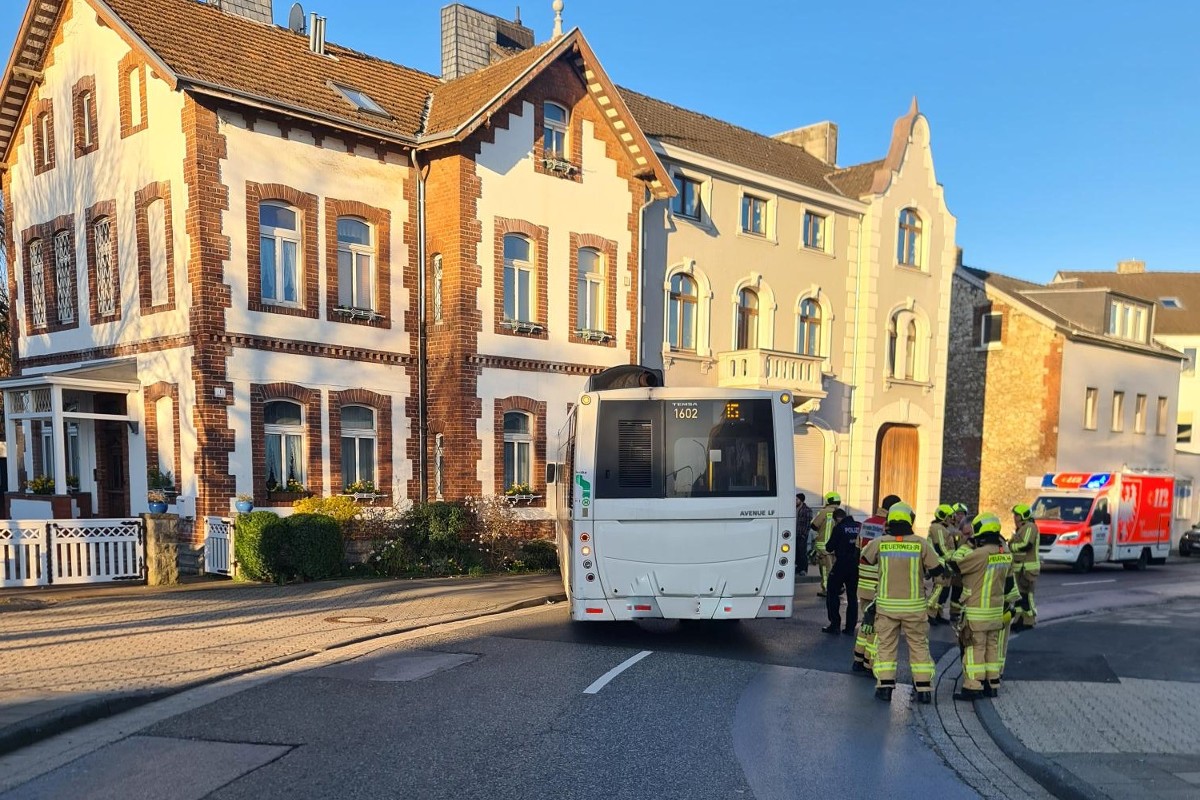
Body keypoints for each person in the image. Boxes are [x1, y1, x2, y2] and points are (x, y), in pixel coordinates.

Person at [861, 502, 945, 703]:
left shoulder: (880, 542)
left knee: (886, 646)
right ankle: (923, 689)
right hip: (914, 608)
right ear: (910, 520)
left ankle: (885, 687)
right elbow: (937, 570)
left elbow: (865, 559)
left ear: (890, 520)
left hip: (887, 607)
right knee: (918, 647)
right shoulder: (921, 543)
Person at [948, 512, 1019, 701]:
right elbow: (1010, 584)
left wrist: (967, 545)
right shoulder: (1005, 553)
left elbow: (956, 565)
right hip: (996, 612)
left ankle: (973, 686)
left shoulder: (980, 554)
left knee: (974, 648)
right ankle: (992, 684)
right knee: (991, 647)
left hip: (977, 610)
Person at [851, 494, 899, 673]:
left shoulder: (867, 523)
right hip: (879, 583)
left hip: (863, 581)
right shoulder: (890, 528)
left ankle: (858, 658)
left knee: (866, 621)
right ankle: (869, 662)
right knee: (878, 626)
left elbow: (858, 550)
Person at [822, 509, 861, 634]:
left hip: (841, 564)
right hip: (855, 565)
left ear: (837, 518)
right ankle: (850, 627)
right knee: (852, 596)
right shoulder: (859, 526)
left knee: (832, 592)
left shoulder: (839, 527)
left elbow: (829, 546)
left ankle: (835, 624)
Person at [1008, 503, 1041, 631]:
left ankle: (1029, 620)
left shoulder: (1030, 527)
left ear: (1022, 516)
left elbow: (1027, 544)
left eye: (1016, 515)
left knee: (1027, 596)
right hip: (1019, 567)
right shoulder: (1022, 528)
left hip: (1027, 569)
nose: (1014, 517)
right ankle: (1019, 620)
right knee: (1019, 596)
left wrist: (1011, 547)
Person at [926, 504, 957, 625]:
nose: (951, 519)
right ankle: (929, 612)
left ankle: (937, 613)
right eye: (949, 517)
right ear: (943, 517)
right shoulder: (937, 528)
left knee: (944, 589)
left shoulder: (942, 528)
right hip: (940, 562)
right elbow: (940, 547)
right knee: (939, 587)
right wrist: (951, 560)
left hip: (944, 562)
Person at [811, 492, 840, 597]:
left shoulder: (823, 512)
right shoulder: (840, 513)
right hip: (836, 547)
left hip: (823, 547)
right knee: (834, 569)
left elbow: (814, 525)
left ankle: (827, 589)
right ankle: (837, 587)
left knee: (825, 569)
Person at [795, 493, 813, 576]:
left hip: (802, 535)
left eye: (797, 499)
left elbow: (808, 524)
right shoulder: (794, 509)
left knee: (802, 552)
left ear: (801, 500)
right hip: (795, 534)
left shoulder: (807, 510)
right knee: (796, 552)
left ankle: (803, 569)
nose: (795, 501)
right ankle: (798, 568)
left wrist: (804, 534)